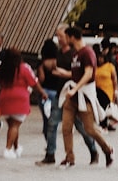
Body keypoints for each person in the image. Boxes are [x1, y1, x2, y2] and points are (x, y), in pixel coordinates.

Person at [36, 24, 99, 166]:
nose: (58, 39)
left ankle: (94, 151)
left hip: (75, 95)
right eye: (57, 36)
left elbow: (82, 72)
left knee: (81, 127)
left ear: (69, 36)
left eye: (61, 36)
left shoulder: (76, 52)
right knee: (52, 123)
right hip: (61, 93)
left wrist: (66, 74)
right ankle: (50, 154)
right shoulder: (59, 53)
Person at [59, 27, 114, 168]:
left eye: (65, 37)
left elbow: (88, 74)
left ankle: (107, 149)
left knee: (89, 129)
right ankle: (69, 157)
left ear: (72, 37)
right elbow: (76, 74)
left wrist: (75, 89)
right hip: (72, 98)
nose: (64, 40)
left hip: (84, 96)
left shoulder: (87, 53)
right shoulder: (75, 54)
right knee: (66, 127)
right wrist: (62, 74)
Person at [0, 47, 49, 159]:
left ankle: (16, 148)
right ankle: (7, 149)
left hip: (4, 97)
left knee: (12, 126)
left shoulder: (1, 68)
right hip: (20, 98)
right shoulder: (24, 68)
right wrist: (42, 93)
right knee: (15, 126)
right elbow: (34, 83)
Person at [94, 48, 118, 131]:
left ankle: (104, 124)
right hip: (97, 90)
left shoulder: (109, 66)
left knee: (106, 107)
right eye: (98, 57)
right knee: (99, 107)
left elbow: (114, 79)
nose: (99, 59)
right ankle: (103, 123)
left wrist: (116, 90)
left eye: (101, 57)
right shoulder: (95, 67)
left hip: (108, 90)